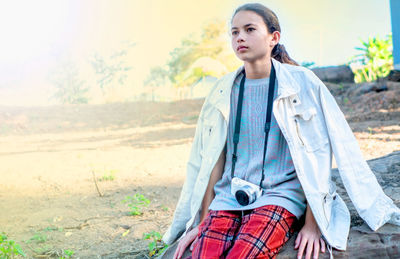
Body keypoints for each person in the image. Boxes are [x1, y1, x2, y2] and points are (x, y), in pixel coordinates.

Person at [161, 3, 400, 259]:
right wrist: (202, 220)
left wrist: (313, 224)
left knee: (242, 255)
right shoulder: (224, 89)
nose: (240, 37)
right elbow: (212, 160)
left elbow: (318, 156)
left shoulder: (302, 83)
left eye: (250, 29)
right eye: (234, 32)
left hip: (281, 195)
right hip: (229, 196)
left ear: (274, 37)